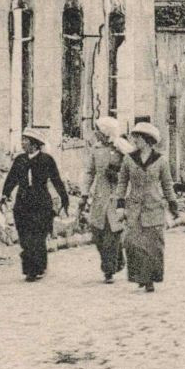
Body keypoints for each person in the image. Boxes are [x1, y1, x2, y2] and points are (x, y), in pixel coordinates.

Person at [114, 119, 178, 292]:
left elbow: (167, 184)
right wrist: (120, 204)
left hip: (154, 207)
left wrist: (173, 204)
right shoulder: (129, 159)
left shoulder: (160, 161)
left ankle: (149, 279)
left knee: (153, 246)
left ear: (148, 140)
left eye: (139, 138)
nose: (135, 141)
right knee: (132, 242)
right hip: (133, 207)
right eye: (134, 138)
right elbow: (122, 183)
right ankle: (140, 275)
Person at [1, 127, 68, 282]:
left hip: (41, 203)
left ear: (34, 144)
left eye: (25, 140)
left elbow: (56, 180)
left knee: (38, 236)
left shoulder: (46, 160)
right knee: (25, 237)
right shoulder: (20, 160)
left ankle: (36, 269)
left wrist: (64, 198)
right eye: (22, 139)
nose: (22, 143)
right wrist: (5, 194)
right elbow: (11, 179)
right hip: (22, 203)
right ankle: (31, 268)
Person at [79, 117, 127, 283]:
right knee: (98, 234)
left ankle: (109, 270)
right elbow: (89, 172)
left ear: (107, 132)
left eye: (98, 130)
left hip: (116, 196)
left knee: (111, 234)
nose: (96, 134)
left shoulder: (122, 147)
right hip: (99, 196)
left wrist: (118, 175)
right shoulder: (96, 148)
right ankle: (117, 259)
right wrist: (84, 193)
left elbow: (135, 169)